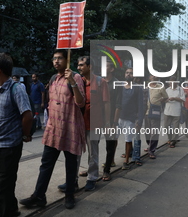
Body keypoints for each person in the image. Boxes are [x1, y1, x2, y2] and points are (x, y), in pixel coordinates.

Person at [20, 49, 85, 210]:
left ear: (66, 60)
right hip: (54, 129)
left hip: (70, 129)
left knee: (70, 166)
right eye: (54, 58)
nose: (56, 61)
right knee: (46, 164)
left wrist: (73, 83)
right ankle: (39, 196)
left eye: (60, 58)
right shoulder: (53, 78)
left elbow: (81, 102)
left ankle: (70, 195)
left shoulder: (75, 77)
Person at [0, 53, 33, 217]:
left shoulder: (16, 89)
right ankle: (12, 210)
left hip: (10, 146)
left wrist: (25, 135)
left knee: (4, 185)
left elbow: (27, 115)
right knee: (1, 182)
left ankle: (2, 213)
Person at [58, 56, 109, 188]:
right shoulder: (76, 81)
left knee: (93, 153)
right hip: (77, 124)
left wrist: (108, 123)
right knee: (75, 153)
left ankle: (92, 179)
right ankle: (72, 180)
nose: (79, 68)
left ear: (90, 66)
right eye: (78, 65)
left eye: (81, 65)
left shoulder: (100, 82)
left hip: (94, 123)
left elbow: (106, 104)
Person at [114, 68, 143, 169]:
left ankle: (126, 160)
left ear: (134, 76)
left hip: (130, 118)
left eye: (131, 73)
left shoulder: (137, 88)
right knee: (114, 138)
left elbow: (140, 105)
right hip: (118, 117)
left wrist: (139, 120)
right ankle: (111, 159)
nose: (128, 74)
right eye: (127, 72)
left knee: (128, 140)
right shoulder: (120, 86)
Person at [144, 75, 168, 159]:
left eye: (155, 76)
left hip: (155, 112)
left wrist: (161, 99)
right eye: (151, 75)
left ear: (158, 78)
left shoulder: (161, 87)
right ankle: (149, 145)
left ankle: (152, 150)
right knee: (147, 132)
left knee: (154, 132)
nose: (153, 77)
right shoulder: (146, 87)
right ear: (149, 77)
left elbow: (166, 98)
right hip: (146, 112)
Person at [102, 61, 119, 178]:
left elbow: (118, 105)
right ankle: (91, 169)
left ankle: (107, 170)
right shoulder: (99, 82)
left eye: (107, 66)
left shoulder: (117, 84)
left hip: (111, 118)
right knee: (93, 145)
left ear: (112, 69)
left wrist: (114, 123)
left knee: (110, 144)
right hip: (98, 118)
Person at [163, 76, 185, 147]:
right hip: (167, 110)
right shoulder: (167, 90)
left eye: (173, 82)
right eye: (170, 82)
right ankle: (170, 138)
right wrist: (165, 100)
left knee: (175, 127)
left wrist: (175, 98)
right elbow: (163, 99)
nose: (171, 83)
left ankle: (173, 141)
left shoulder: (180, 90)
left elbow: (183, 99)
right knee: (166, 126)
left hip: (176, 111)